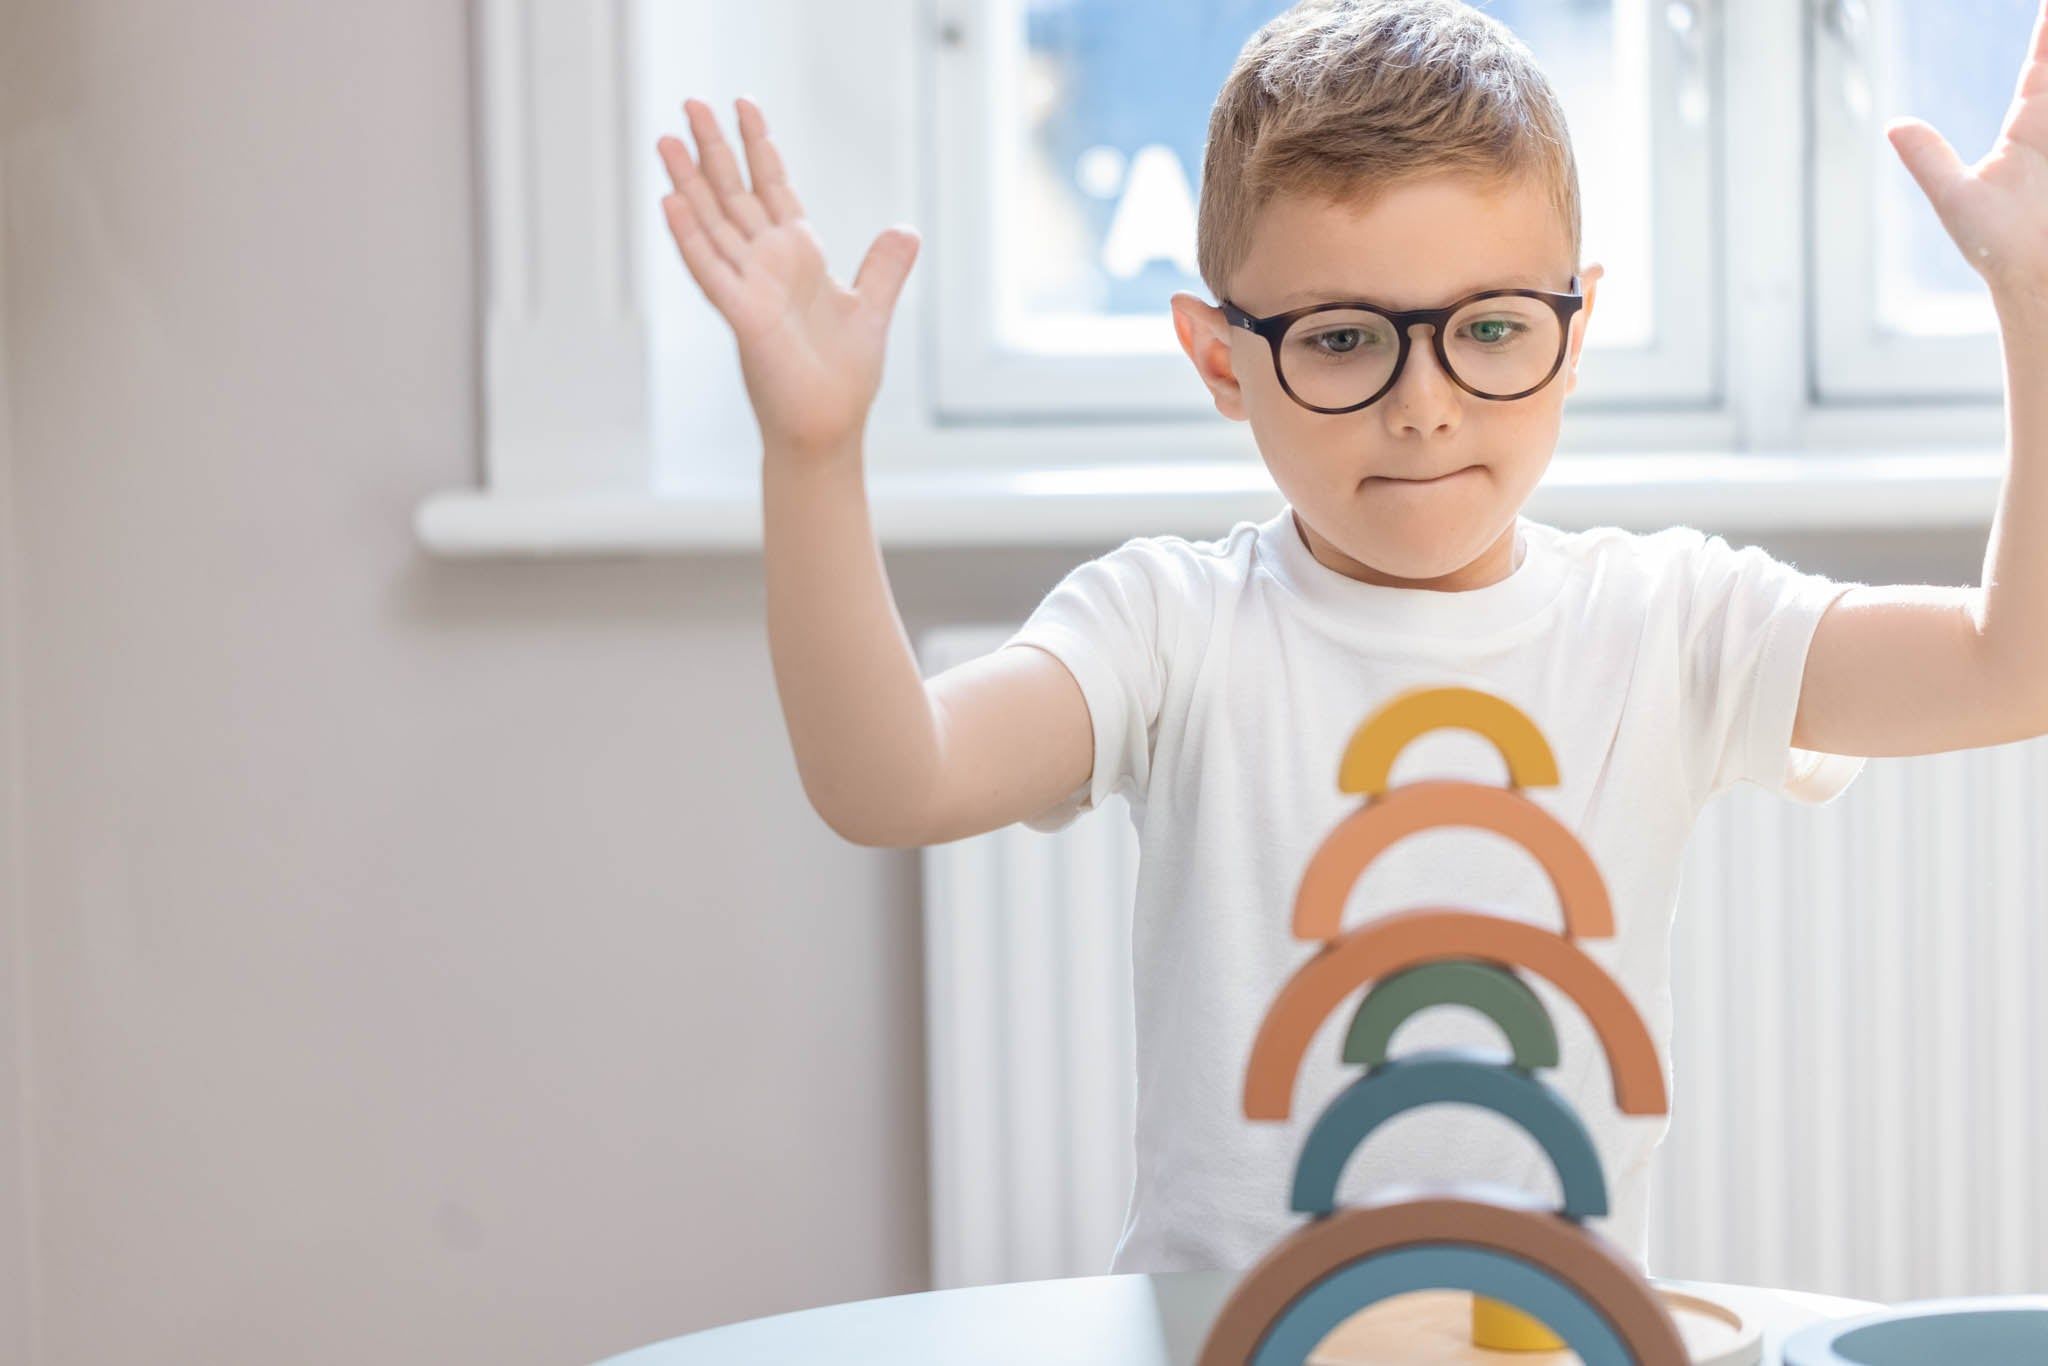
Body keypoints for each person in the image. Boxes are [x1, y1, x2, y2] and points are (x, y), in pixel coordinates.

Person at [654, 0, 2048, 1277]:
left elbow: (2011, 668)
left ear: (1576, 330)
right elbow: (890, 781)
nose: (1427, 406)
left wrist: (2035, 309)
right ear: (1221, 360)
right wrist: (816, 452)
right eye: (1340, 340)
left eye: (1492, 328)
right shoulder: (1170, 626)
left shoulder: (1670, 621)